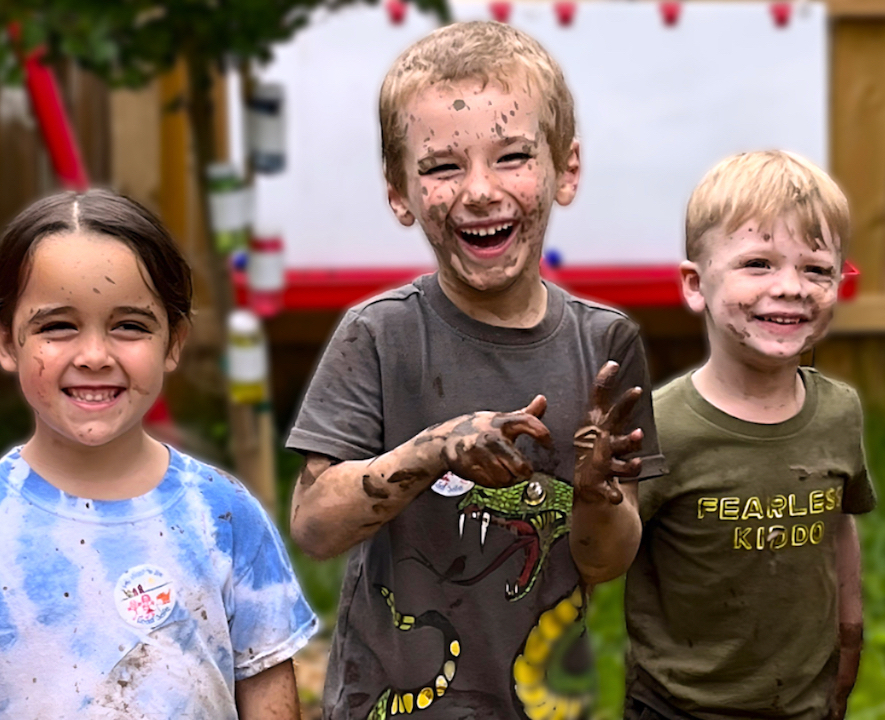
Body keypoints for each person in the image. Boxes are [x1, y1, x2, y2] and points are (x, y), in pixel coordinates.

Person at [284, 21, 665, 720]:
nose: (481, 191)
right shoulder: (379, 335)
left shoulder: (606, 346)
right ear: (401, 191)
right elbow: (313, 526)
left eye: (512, 156)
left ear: (566, 169)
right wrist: (433, 448)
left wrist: (596, 495)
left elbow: (607, 564)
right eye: (442, 167)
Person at [0, 189, 316, 720]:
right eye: (58, 326)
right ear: (5, 341)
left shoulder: (225, 515)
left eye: (130, 326)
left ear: (174, 341)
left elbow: (268, 697)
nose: (94, 355)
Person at [624, 150, 876, 720]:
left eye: (816, 269)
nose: (791, 287)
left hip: (804, 702)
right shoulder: (661, 426)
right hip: (677, 708)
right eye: (758, 263)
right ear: (695, 284)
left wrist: (851, 639)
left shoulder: (840, 412)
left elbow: (840, 532)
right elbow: (600, 557)